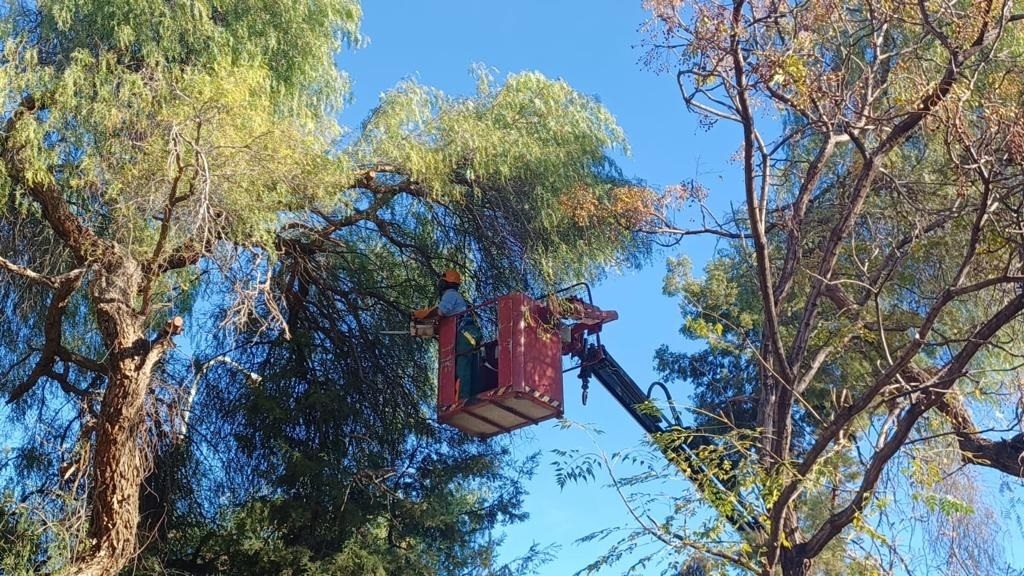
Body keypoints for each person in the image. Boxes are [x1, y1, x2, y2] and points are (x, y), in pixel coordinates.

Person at [415, 269, 482, 401]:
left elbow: (439, 312)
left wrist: (420, 315)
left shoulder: (451, 294)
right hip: (467, 334)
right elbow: (440, 328)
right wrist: (418, 329)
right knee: (467, 365)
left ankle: (462, 398)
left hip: (465, 334)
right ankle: (468, 396)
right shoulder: (454, 301)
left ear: (445, 283)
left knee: (463, 365)